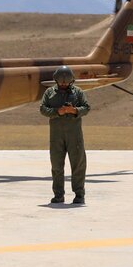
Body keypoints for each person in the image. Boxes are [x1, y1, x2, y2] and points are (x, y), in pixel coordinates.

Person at [40, 65, 90, 205]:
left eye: (66, 82)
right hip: (56, 136)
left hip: (74, 136)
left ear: (71, 81)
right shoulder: (49, 93)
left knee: (78, 165)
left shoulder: (78, 92)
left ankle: (79, 195)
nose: (63, 84)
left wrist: (74, 110)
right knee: (56, 166)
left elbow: (86, 108)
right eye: (61, 82)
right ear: (56, 80)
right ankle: (58, 195)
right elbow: (43, 109)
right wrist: (57, 112)